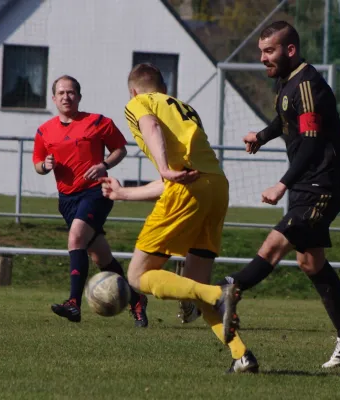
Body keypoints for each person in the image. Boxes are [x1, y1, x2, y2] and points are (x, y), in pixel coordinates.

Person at [216, 21, 340, 368]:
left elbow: (312, 143)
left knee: (273, 246)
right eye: (261, 51)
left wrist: (282, 183)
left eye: (268, 51)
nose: (262, 59)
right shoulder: (290, 84)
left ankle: (224, 290)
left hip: (322, 185)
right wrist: (262, 135)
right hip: (309, 185)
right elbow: (285, 120)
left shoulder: (309, 85)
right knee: (309, 261)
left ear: (290, 50)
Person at [100, 63, 258, 373]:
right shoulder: (185, 109)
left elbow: (150, 128)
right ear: (164, 88)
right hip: (215, 187)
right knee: (194, 286)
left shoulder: (138, 103)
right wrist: (124, 194)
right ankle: (241, 355)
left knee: (137, 276)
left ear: (134, 90)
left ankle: (219, 293)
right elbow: (179, 177)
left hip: (190, 190)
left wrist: (162, 167)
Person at [32, 75, 148, 327]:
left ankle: (73, 303)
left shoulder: (98, 122)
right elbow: (38, 165)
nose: (66, 97)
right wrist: (45, 165)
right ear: (53, 98)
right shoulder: (44, 131)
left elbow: (121, 148)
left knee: (75, 238)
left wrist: (103, 164)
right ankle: (136, 299)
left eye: (71, 92)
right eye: (61, 93)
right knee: (99, 257)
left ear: (79, 96)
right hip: (67, 200)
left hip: (97, 192)